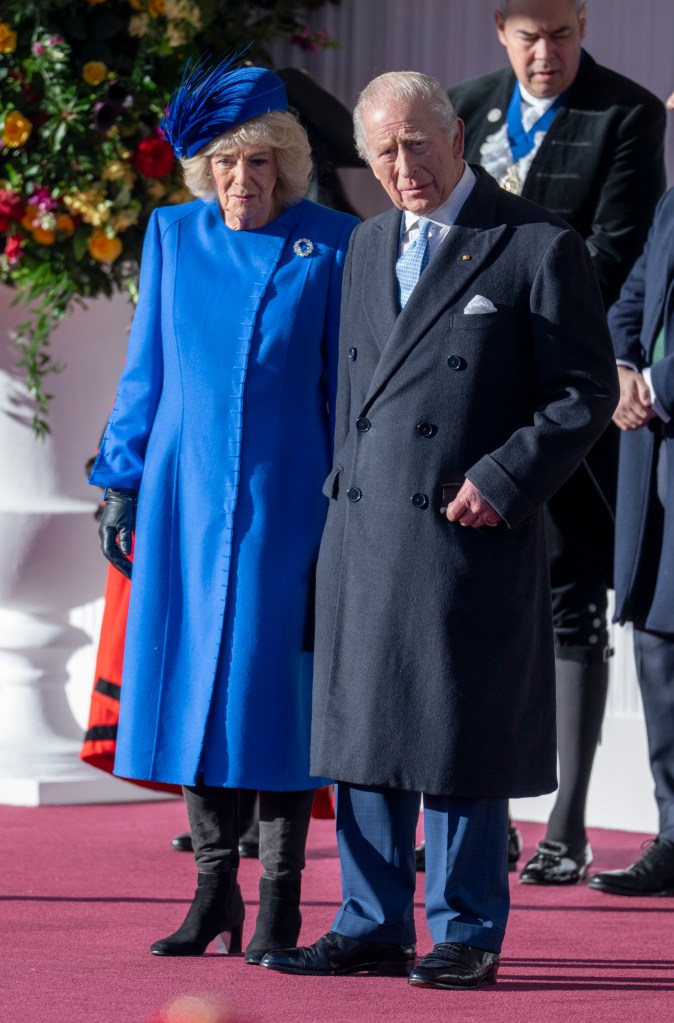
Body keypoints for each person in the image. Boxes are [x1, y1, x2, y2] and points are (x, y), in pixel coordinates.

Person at [259, 70, 618, 989]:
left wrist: (505, 478)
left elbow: (584, 391)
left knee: (459, 731)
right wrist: (339, 490)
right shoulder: (367, 243)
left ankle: (466, 928)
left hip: (467, 528)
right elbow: (353, 390)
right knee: (366, 733)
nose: (402, 165)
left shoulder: (535, 241)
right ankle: (371, 922)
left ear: (457, 136)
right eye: (383, 151)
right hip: (366, 525)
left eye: (417, 142)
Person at [88, 55, 358, 964]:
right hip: (182, 495)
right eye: (227, 163)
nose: (244, 180)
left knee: (272, 692)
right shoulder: (173, 234)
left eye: (260, 162)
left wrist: (347, 502)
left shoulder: (333, 242)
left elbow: (344, 392)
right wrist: (120, 481)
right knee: (193, 691)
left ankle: (279, 899)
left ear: (287, 162)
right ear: (205, 169)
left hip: (289, 498)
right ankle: (213, 893)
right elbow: (145, 371)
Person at [444, 0, 666, 885]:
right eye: (530, 37)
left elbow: (615, 253)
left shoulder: (627, 112)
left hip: (566, 392)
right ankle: (483, 819)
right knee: (471, 598)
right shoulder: (464, 107)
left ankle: (566, 825)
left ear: (584, 24)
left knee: (570, 595)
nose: (547, 53)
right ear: (501, 32)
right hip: (469, 395)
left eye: (563, 34)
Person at [587, 186, 674, 897]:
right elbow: (633, 298)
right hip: (653, 453)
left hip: (660, 412)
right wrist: (619, 368)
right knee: (657, 645)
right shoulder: (672, 202)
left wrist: (654, 383)